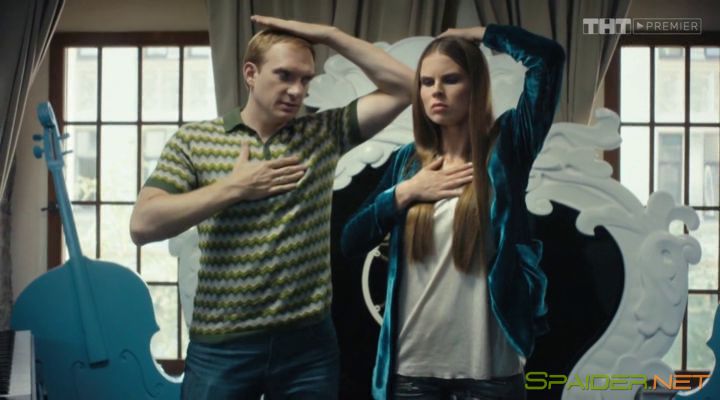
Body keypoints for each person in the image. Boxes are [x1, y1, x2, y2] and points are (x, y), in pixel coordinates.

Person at [129, 15, 413, 400]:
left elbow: (406, 87)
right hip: (222, 348)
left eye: (305, 79)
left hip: (308, 349)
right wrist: (235, 188)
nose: (296, 90)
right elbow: (143, 225)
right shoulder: (194, 140)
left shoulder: (322, 133)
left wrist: (330, 35)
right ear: (251, 73)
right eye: (284, 75)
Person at [341, 24, 565, 400]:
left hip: (491, 373)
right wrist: (407, 192)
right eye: (426, 82)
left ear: (475, 86)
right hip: (412, 373)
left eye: (451, 79)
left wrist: (480, 33)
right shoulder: (406, 163)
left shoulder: (508, 146)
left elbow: (549, 59)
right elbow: (350, 240)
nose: (436, 91)